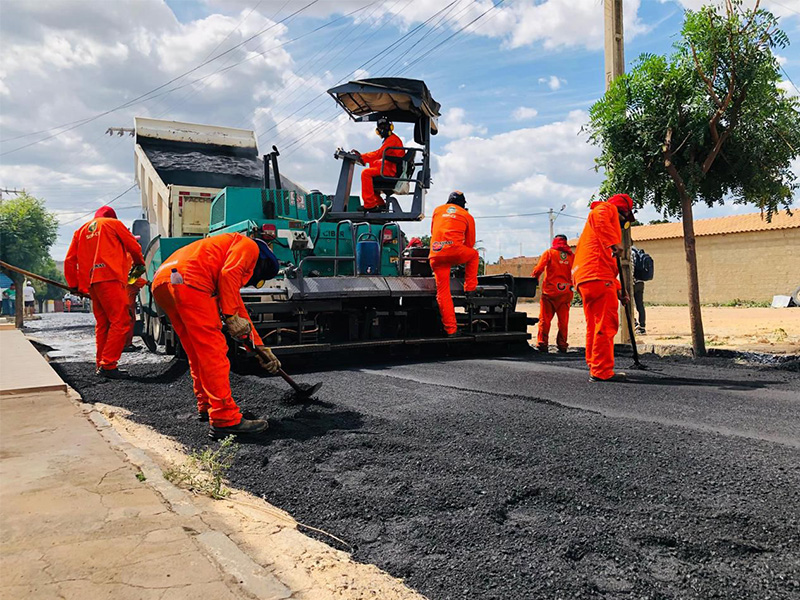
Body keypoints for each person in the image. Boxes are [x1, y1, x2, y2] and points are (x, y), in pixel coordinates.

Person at [151, 233, 282, 439]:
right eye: (257, 281)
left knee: (196, 350)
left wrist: (260, 348)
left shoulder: (219, 254)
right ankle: (225, 419)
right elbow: (230, 276)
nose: (250, 283)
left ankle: (206, 404)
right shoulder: (250, 247)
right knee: (214, 350)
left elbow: (239, 310)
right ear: (262, 266)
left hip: (163, 281)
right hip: (191, 278)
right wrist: (230, 317)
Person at [64, 206, 145, 379]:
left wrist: (75, 285)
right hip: (111, 278)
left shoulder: (81, 230)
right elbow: (134, 247)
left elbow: (70, 260)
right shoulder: (114, 224)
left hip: (92, 283)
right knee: (121, 321)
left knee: (103, 324)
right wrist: (139, 264)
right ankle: (108, 364)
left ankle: (101, 362)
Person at [572, 193, 635, 382]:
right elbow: (597, 216)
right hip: (596, 276)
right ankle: (601, 371)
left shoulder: (596, 243)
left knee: (594, 325)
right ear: (621, 211)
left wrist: (618, 289)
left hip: (588, 278)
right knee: (606, 325)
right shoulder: (606, 209)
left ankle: (594, 364)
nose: (623, 225)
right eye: (624, 219)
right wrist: (613, 241)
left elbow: (606, 266)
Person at [429, 191, 479, 336]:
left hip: (436, 254)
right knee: (474, 255)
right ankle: (470, 288)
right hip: (455, 252)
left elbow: (433, 231)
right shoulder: (466, 215)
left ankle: (451, 330)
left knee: (443, 293)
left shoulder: (437, 211)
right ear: (463, 204)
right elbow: (470, 243)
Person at [531, 235, 574, 353]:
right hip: (565, 292)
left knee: (545, 320)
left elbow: (539, 269)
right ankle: (562, 345)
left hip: (549, 293)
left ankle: (542, 344)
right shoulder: (571, 256)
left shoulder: (549, 253)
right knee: (563, 321)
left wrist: (533, 279)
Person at [354, 116, 404, 212]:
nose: (383, 129)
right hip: (390, 167)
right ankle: (380, 203)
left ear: (390, 127)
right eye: (381, 127)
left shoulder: (392, 140)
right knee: (373, 164)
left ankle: (369, 205)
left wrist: (362, 157)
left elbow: (380, 153)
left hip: (391, 170)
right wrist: (364, 159)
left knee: (366, 173)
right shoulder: (391, 139)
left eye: (385, 126)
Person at [631, 246, 646, 335]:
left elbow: (631, 269)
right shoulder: (639, 252)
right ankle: (642, 327)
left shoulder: (629, 252)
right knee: (640, 305)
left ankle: (634, 323)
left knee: (628, 305)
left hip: (633, 283)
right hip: (641, 282)